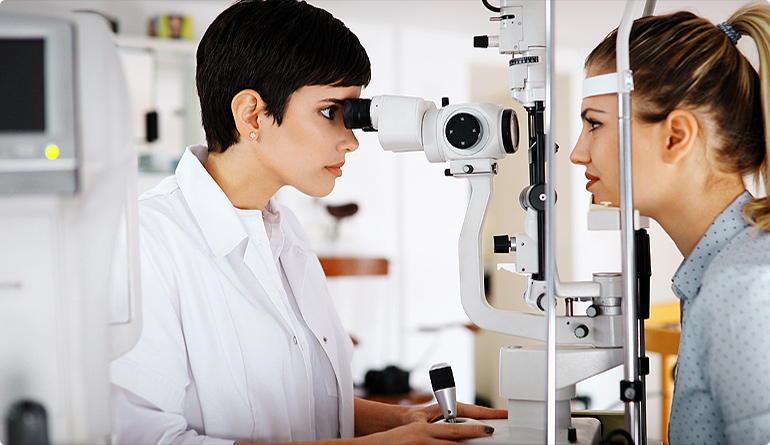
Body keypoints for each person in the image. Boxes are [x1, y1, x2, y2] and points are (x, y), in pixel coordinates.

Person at [110, 0, 506, 444]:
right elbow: (145, 439)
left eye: (352, 115)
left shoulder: (284, 231)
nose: (351, 141)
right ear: (252, 114)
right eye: (330, 111)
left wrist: (401, 421)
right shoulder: (146, 243)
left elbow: (306, 404)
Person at [570, 3, 770, 444]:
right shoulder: (720, 275)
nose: (577, 153)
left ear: (676, 136)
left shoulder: (744, 288)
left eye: (594, 125)